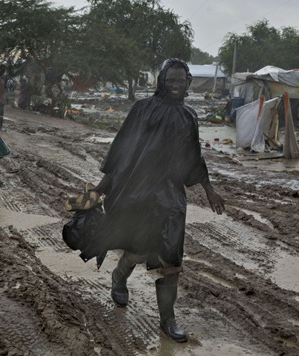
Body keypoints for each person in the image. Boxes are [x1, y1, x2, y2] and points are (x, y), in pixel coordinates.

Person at [73, 58, 225, 343]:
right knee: (137, 250)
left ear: (188, 82)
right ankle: (119, 278)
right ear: (162, 81)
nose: (176, 85)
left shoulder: (189, 116)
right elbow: (121, 151)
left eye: (181, 80)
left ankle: (168, 320)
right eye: (171, 80)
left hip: (170, 197)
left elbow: (194, 157)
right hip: (136, 192)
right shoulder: (142, 109)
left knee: (171, 260)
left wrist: (208, 187)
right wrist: (98, 190)